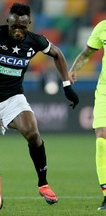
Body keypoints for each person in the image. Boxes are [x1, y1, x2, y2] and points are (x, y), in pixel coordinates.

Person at [0, 2, 79, 205]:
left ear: (29, 23)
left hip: (13, 98)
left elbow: (57, 53)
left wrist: (66, 85)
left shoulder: (35, 41)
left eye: (22, 27)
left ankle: (43, 184)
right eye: (14, 26)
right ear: (8, 21)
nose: (18, 31)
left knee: (32, 132)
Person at [68, 20, 106, 210]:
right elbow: (87, 53)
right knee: (101, 138)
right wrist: (74, 68)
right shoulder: (102, 27)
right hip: (104, 91)